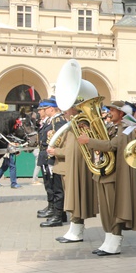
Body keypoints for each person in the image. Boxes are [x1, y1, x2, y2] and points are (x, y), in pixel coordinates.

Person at [78, 100, 136, 256]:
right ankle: (108, 240)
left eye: (112, 110)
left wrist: (89, 141)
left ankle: (115, 242)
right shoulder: (114, 127)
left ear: (121, 113)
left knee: (114, 210)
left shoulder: (127, 128)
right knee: (106, 211)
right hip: (105, 173)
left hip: (116, 176)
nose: (109, 112)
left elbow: (112, 145)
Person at [54, 105, 99, 244]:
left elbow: (73, 151)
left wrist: (56, 152)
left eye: (67, 110)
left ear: (74, 110)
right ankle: (74, 229)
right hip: (67, 167)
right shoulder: (71, 126)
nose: (65, 113)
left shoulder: (79, 126)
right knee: (72, 199)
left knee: (75, 199)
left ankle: (77, 231)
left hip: (73, 167)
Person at [37, 97, 68, 227]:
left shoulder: (58, 120)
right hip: (48, 155)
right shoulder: (53, 120)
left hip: (54, 157)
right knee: (52, 186)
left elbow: (60, 139)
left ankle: (58, 215)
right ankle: (56, 212)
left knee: (57, 187)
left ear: (50, 108)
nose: (40, 112)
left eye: (43, 109)